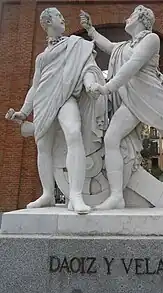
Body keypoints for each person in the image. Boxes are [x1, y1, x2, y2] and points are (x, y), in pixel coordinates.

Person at [80, 6, 163, 210]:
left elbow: (132, 66)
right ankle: (117, 196)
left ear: (142, 19)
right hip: (132, 102)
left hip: (153, 98)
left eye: (131, 15)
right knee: (111, 138)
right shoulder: (125, 46)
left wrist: (107, 88)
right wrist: (91, 31)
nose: (127, 18)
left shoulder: (151, 39)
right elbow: (109, 46)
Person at [6, 7, 106, 214]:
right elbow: (35, 86)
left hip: (66, 96)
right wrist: (24, 112)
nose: (63, 20)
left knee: (73, 134)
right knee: (43, 147)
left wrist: (89, 85)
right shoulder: (41, 57)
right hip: (43, 101)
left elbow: (88, 67)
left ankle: (76, 195)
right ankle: (47, 194)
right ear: (47, 22)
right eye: (59, 17)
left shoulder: (76, 44)